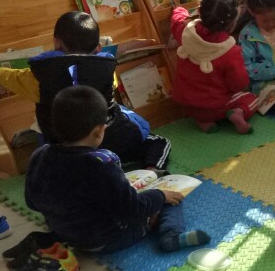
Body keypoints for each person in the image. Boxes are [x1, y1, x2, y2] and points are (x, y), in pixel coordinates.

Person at [25, 85, 210, 254]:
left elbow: (31, 202)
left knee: (150, 182)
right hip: (107, 238)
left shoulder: (40, 154)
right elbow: (132, 210)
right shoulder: (101, 164)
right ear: (98, 131)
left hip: (64, 233)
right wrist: (160, 196)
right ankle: (171, 235)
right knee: (169, 195)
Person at [0, 11, 170, 170]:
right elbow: (109, 86)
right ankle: (151, 168)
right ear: (98, 47)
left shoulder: (36, 77)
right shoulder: (107, 69)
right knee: (159, 141)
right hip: (110, 141)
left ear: (56, 43)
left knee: (42, 140)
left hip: (62, 149)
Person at [171, 0, 257, 134]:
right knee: (251, 98)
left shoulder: (184, 31)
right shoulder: (230, 51)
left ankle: (203, 122)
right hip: (217, 107)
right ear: (232, 22)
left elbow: (176, 18)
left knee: (199, 106)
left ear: (199, 11)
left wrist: (178, 9)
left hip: (188, 106)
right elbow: (239, 84)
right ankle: (238, 113)